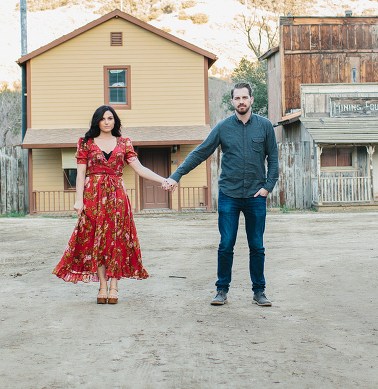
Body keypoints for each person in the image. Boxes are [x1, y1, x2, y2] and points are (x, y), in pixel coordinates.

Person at [162, 82, 278, 307]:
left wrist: (268, 186)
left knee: (257, 245)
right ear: (232, 102)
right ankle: (221, 290)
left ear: (251, 100)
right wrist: (176, 175)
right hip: (229, 195)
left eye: (245, 97)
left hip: (256, 196)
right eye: (237, 98)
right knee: (226, 244)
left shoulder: (264, 127)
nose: (241, 102)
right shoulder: (223, 127)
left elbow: (273, 158)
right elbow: (201, 152)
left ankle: (259, 292)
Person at [53, 105, 170, 304]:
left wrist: (164, 180)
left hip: (117, 197)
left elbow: (140, 169)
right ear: (97, 121)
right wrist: (79, 199)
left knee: (116, 240)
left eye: (110, 118)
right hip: (93, 196)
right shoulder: (86, 143)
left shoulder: (124, 143)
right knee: (97, 241)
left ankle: (114, 287)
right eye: (103, 118)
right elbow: (81, 174)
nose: (107, 122)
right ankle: (102, 286)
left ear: (115, 121)